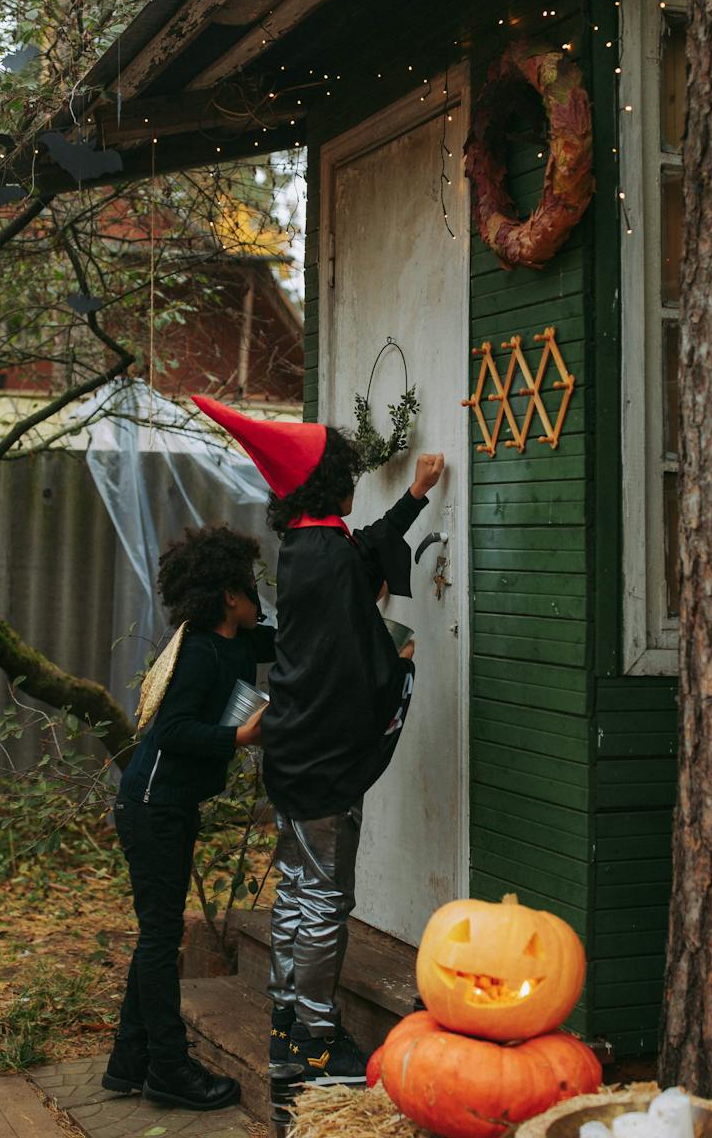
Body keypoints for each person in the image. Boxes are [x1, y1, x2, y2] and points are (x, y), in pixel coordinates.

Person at [190, 396, 444, 1087]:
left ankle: (286, 1026)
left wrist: (415, 498)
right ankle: (318, 1046)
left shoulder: (307, 544)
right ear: (332, 481)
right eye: (348, 469)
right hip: (324, 763)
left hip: (291, 753)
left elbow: (360, 560)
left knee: (299, 892)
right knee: (327, 900)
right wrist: (401, 665)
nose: (357, 478)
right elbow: (354, 658)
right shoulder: (326, 554)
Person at [102, 525, 271, 1109]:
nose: (260, 600)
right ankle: (169, 1070)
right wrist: (239, 737)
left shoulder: (240, 640)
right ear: (229, 594)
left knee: (157, 934)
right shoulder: (197, 649)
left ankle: (129, 1062)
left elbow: (301, 636)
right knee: (160, 937)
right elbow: (170, 732)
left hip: (168, 806)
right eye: (252, 589)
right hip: (151, 806)